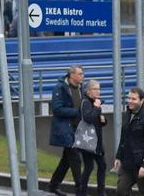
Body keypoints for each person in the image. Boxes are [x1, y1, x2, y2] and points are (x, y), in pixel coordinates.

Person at [47, 65, 85, 196]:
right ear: (72, 75)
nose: (82, 76)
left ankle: (53, 186)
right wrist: (76, 112)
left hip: (78, 129)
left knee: (66, 160)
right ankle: (79, 189)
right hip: (66, 129)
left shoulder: (81, 88)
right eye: (80, 74)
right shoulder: (60, 88)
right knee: (75, 159)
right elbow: (57, 109)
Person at [114, 87, 144, 196]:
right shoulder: (127, 114)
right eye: (129, 98)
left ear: (142, 100)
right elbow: (123, 138)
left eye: (133, 99)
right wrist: (118, 156)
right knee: (121, 190)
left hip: (142, 164)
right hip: (128, 164)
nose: (130, 101)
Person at [75, 79, 107, 196]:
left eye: (99, 89)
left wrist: (103, 120)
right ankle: (83, 191)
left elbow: (97, 120)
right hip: (89, 141)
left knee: (100, 165)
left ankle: (99, 191)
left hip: (96, 140)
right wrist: (97, 108)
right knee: (90, 166)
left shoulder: (94, 102)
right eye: (95, 89)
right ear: (88, 91)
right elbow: (88, 118)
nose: (98, 91)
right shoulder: (86, 102)